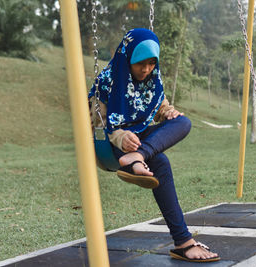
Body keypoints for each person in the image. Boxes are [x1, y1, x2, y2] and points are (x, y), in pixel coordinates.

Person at [89, 28, 219, 263]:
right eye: (140, 63)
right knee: (160, 163)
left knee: (183, 122)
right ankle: (183, 242)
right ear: (128, 57)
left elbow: (159, 107)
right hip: (113, 145)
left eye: (151, 63)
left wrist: (169, 112)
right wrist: (121, 137)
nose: (146, 69)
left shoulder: (152, 79)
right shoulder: (106, 82)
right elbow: (98, 123)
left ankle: (138, 157)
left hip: (141, 143)